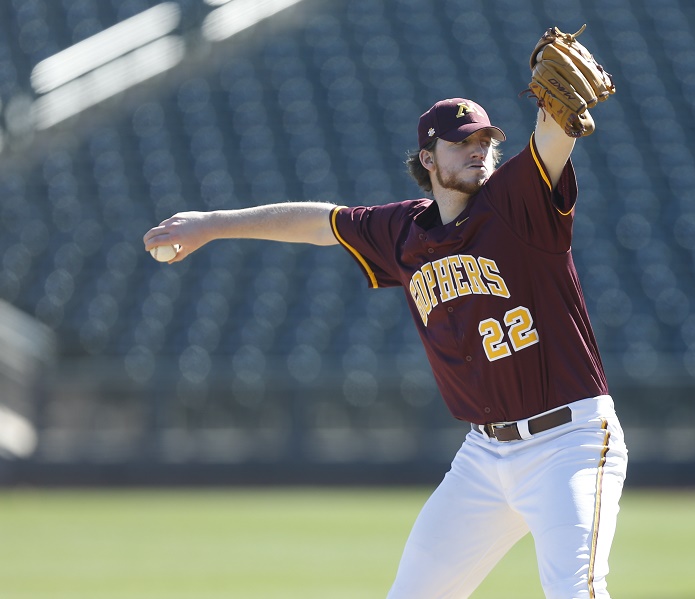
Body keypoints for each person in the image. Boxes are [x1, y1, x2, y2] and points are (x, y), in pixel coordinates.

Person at [144, 95, 628, 598]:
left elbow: (551, 144)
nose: (478, 150)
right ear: (427, 158)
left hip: (567, 443)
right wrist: (212, 224)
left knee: (577, 592)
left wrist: (556, 113)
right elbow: (319, 223)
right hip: (485, 455)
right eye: (461, 142)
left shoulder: (517, 201)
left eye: (486, 140)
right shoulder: (403, 231)